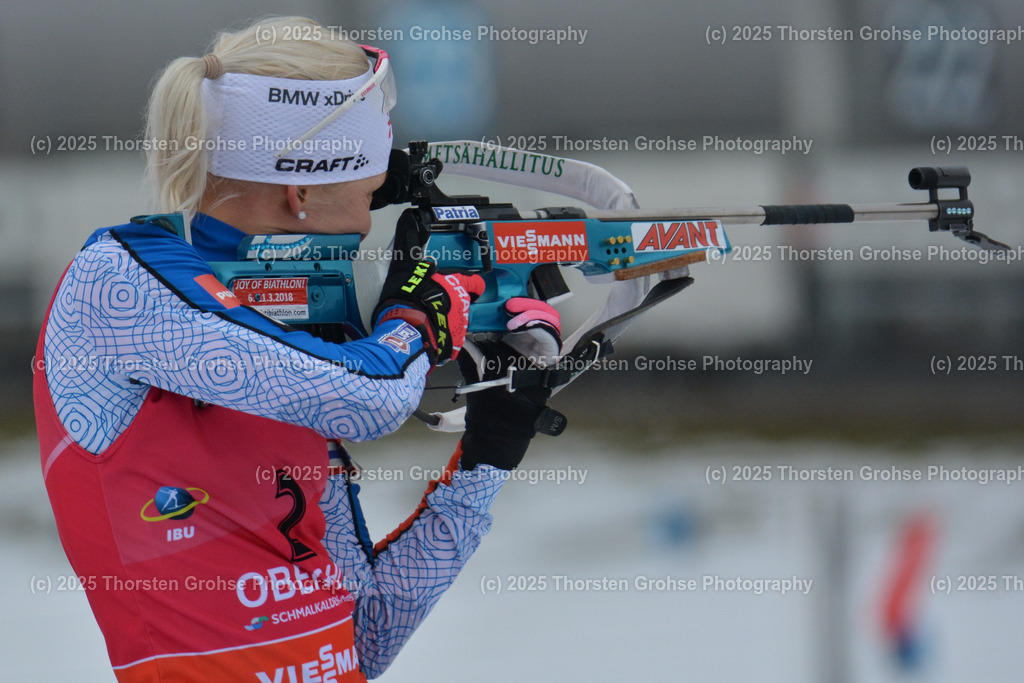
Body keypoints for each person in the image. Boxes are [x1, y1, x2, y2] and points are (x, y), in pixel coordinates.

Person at [33, 16, 560, 682]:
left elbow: (362, 636)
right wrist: (416, 313)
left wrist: (490, 451)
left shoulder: (295, 343)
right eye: (366, 195)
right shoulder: (114, 283)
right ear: (299, 192)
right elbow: (371, 400)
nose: (367, 223)